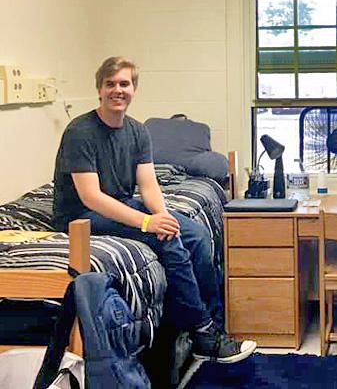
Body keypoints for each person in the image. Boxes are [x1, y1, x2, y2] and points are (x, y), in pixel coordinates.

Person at [52, 56, 256, 363]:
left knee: (197, 234)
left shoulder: (137, 131)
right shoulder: (81, 131)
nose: (117, 90)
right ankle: (201, 333)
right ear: (99, 89)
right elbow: (91, 197)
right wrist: (148, 224)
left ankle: (215, 327)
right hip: (81, 215)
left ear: (134, 88)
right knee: (167, 240)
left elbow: (148, 185)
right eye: (110, 84)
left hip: (119, 205)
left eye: (124, 84)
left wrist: (163, 217)